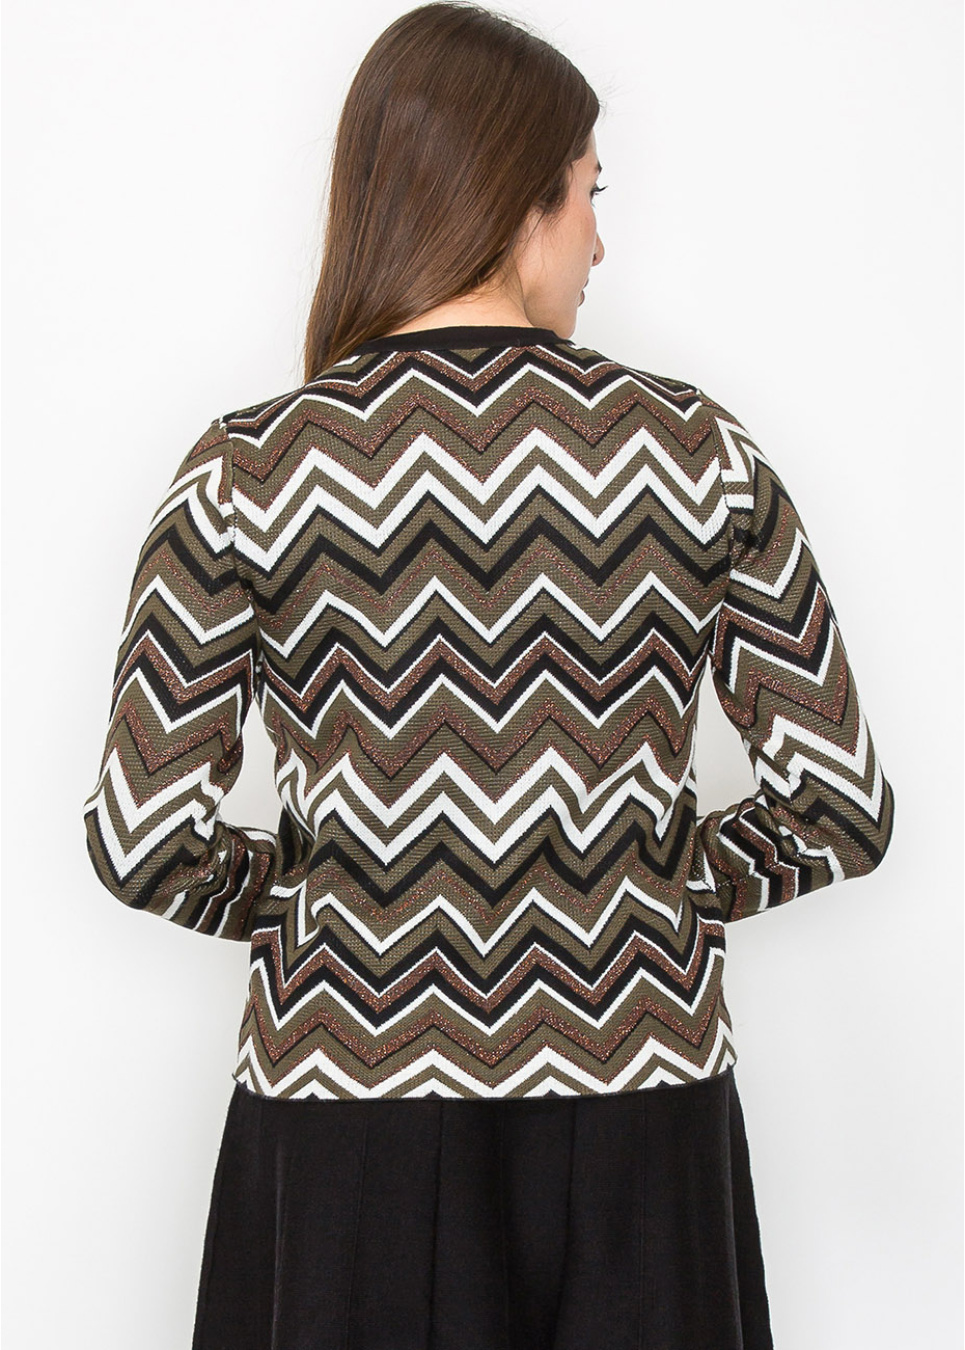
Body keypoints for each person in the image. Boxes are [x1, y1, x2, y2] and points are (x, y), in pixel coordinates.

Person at [81, 3, 896, 1347]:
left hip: (346, 1113)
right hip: (641, 1105)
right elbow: (842, 807)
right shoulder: (696, 453)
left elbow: (138, 840)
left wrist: (335, 899)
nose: (599, 242)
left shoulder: (249, 471)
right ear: (520, 201)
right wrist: (636, 888)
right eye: (589, 195)